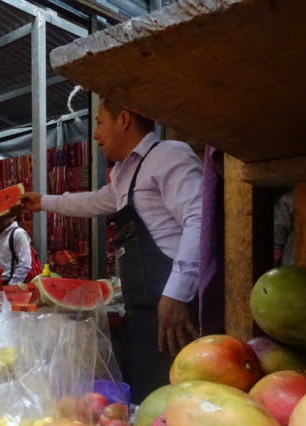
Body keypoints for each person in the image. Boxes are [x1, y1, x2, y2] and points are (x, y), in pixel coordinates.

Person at [20, 99, 203, 402]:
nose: (95, 134)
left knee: (177, 401)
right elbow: (94, 201)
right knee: (147, 397)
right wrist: (44, 202)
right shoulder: (123, 175)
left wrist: (176, 294)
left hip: (176, 308)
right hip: (144, 308)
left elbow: (199, 221)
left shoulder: (170, 156)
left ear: (124, 120)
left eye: (99, 123)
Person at [0, 215, 34, 284]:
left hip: (9, 282)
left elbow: (25, 264)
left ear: (14, 215)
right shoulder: (1, 235)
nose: (3, 216)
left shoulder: (19, 233)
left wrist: (12, 285)